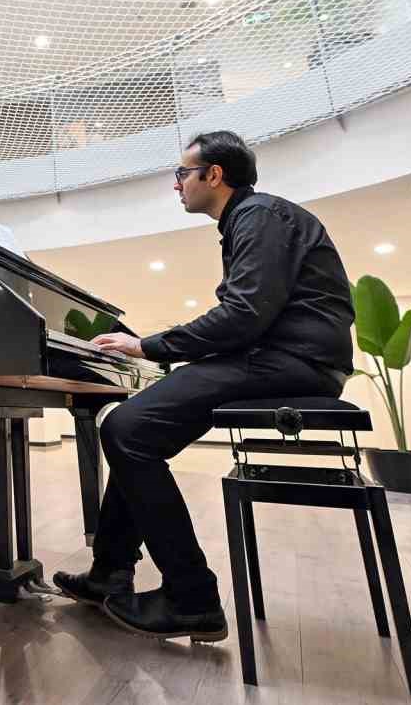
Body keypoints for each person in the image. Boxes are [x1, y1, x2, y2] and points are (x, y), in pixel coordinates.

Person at [53, 130, 355, 642]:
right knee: (134, 431)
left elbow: (242, 316)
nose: (177, 184)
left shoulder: (259, 216)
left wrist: (147, 346)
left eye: (182, 173)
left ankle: (191, 598)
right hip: (284, 358)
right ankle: (108, 573)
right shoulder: (251, 219)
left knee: (126, 429)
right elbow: (247, 317)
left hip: (291, 362)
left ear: (214, 175)